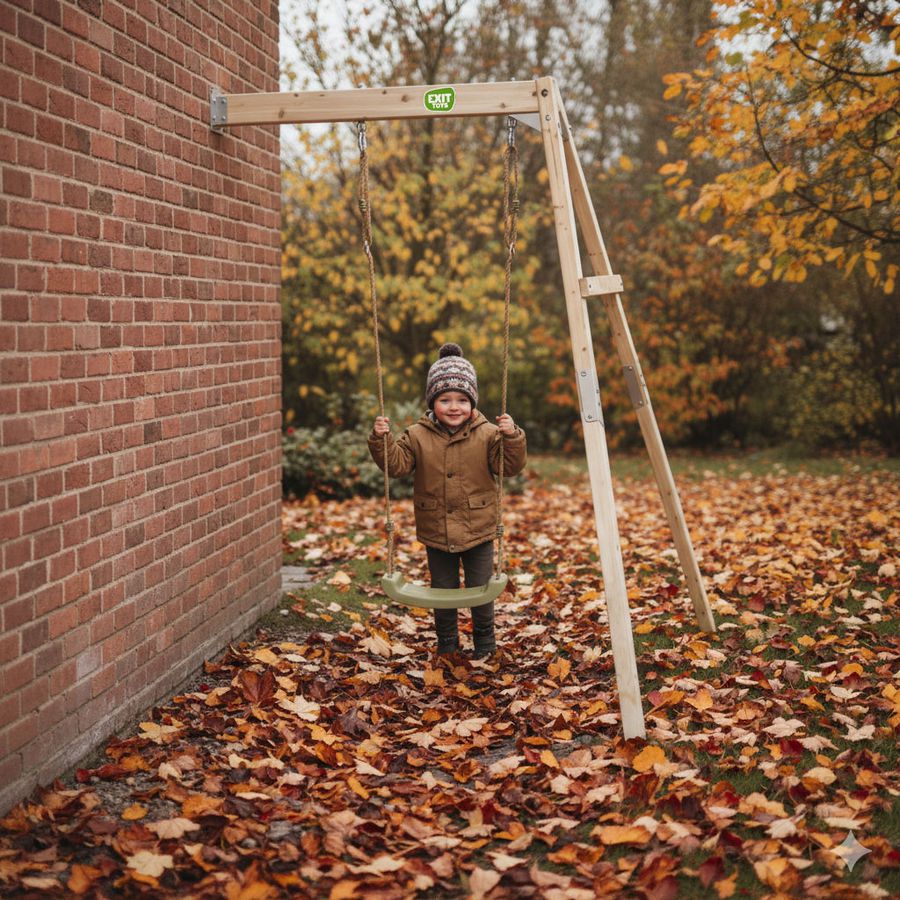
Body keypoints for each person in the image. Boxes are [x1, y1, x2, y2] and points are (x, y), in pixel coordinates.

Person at [368, 343, 527, 658]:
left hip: (479, 529)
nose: (454, 407)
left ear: (472, 402)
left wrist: (512, 436)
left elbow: (508, 467)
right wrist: (381, 440)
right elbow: (396, 466)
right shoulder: (416, 435)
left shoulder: (489, 433)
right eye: (445, 400)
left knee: (482, 591)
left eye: (462, 400)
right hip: (436, 530)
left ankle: (485, 642)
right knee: (442, 592)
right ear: (432, 402)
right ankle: (447, 643)